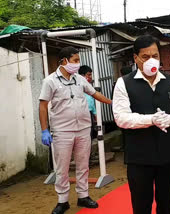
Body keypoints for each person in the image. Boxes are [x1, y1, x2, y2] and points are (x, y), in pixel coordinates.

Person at [112, 35, 170, 214]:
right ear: (136, 58)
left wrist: (169, 120)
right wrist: (151, 120)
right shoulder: (123, 83)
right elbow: (121, 117)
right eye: (145, 57)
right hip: (139, 157)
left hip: (168, 154)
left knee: (166, 203)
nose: (151, 61)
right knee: (141, 205)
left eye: (155, 56)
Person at [39, 46, 112, 214]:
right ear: (64, 61)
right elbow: (43, 106)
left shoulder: (79, 79)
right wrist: (45, 130)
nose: (78, 64)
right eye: (75, 61)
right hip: (62, 131)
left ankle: (83, 196)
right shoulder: (50, 81)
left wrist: (112, 102)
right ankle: (62, 201)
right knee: (62, 168)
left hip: (83, 129)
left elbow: (94, 94)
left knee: (83, 165)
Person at [78, 65, 97, 139]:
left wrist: (95, 113)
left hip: (90, 113)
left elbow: (91, 101)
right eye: (88, 75)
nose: (90, 77)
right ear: (82, 75)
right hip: (82, 113)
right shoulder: (78, 85)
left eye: (91, 75)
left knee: (91, 133)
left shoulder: (89, 85)